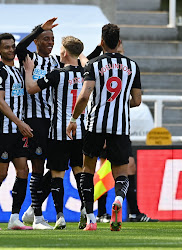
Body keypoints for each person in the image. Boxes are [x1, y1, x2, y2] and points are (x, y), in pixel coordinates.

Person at [66, 24, 142, 231]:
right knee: (121, 173)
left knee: (88, 169)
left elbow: (84, 95)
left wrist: (73, 118)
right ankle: (118, 199)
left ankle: (90, 218)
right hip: (120, 127)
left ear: (101, 42)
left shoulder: (94, 64)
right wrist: (117, 104)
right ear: (118, 42)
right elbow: (136, 101)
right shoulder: (133, 66)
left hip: (95, 125)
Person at [23, 36, 86, 230]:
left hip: (58, 131)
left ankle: (60, 216)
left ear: (65, 52)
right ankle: (87, 211)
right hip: (79, 131)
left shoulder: (57, 74)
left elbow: (31, 88)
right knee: (80, 172)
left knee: (57, 174)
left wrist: (28, 71)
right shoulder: (86, 73)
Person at [96, 40, 158, 223]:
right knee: (105, 170)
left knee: (128, 166)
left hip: (121, 126)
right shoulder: (101, 69)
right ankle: (101, 213)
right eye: (119, 51)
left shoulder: (126, 70)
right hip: (104, 126)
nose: (120, 55)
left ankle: (133, 212)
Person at [0, 33, 33, 231]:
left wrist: (37, 30)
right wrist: (20, 123)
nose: (11, 50)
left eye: (12, 47)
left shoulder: (19, 71)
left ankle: (14, 219)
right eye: (7, 47)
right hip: (3, 129)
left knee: (23, 171)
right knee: (1, 173)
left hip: (19, 130)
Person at [16, 17, 61, 230]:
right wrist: (39, 29)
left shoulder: (56, 63)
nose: (50, 42)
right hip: (35, 119)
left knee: (57, 166)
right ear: (37, 41)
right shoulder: (29, 57)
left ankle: (33, 208)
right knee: (37, 166)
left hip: (53, 120)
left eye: (52, 38)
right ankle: (38, 219)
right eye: (45, 39)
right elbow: (19, 46)